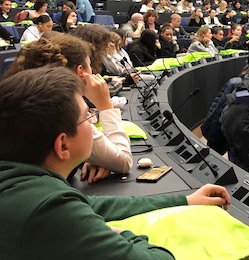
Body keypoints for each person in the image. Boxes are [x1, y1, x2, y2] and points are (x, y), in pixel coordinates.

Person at [0, 66, 231, 259]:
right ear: (62, 146)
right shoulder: (47, 209)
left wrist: (185, 200)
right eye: (88, 117)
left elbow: (94, 206)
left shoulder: (25, 184)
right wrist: (117, 233)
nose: (93, 121)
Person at [3, 35, 133, 181]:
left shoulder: (22, 97)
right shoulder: (63, 107)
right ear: (80, 72)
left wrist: (85, 159)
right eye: (90, 65)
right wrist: (106, 107)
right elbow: (123, 161)